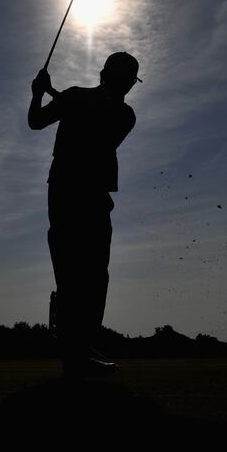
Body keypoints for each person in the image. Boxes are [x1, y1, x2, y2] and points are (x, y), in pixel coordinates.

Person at [28, 52, 140, 379]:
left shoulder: (123, 114)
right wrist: (41, 93)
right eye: (126, 77)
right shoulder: (77, 97)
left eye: (129, 79)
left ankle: (78, 351)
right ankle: (74, 353)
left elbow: (99, 120)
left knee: (93, 275)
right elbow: (36, 122)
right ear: (111, 75)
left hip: (89, 194)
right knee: (74, 272)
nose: (128, 84)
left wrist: (50, 93)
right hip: (68, 191)